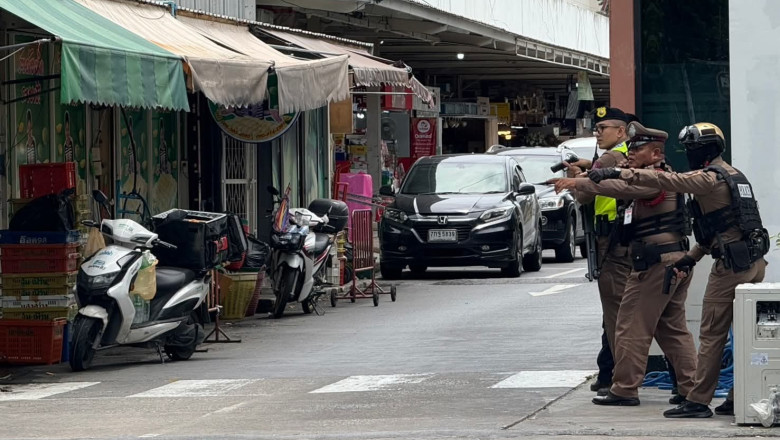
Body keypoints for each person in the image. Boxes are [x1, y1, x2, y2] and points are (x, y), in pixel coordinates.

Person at [588, 122, 769, 417]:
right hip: (754, 263)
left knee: (712, 335)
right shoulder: (736, 175)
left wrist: (616, 172)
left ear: (702, 151)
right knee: (746, 335)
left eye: (691, 149)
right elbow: (720, 229)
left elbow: (668, 182)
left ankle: (697, 401)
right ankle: (737, 397)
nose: (688, 155)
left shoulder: (708, 178)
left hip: (731, 267)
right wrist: (692, 258)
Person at [554, 121, 698, 406]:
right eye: (630, 147)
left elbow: (617, 187)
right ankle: (689, 387)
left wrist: (579, 181)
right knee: (671, 329)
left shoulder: (653, 177)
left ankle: (625, 388)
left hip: (656, 263)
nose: (630, 153)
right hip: (671, 260)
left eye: (638, 148)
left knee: (630, 325)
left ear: (656, 153)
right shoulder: (656, 175)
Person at [565, 107, 633, 395]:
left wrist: (576, 178)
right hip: (625, 240)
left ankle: (619, 380)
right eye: (597, 127)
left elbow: (583, 195)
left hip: (611, 241)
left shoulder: (608, 157)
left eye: (603, 127)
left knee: (615, 314)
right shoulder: (628, 151)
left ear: (620, 131)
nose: (598, 132)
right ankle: (609, 372)